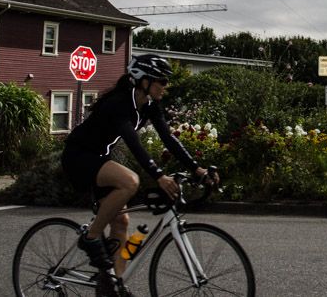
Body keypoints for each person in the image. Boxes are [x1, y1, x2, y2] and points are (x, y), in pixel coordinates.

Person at [62, 54, 214, 297]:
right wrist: (159, 176)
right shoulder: (120, 103)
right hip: (79, 156)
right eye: (162, 81)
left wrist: (197, 169)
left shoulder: (150, 106)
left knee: (121, 222)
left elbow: (168, 138)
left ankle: (112, 285)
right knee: (130, 181)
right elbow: (134, 143)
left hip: (99, 157)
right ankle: (90, 237)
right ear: (143, 81)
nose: (166, 86)